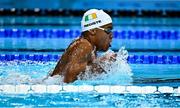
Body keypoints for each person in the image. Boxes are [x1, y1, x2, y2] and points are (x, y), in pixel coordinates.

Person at [50, 9, 115, 83]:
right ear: (92, 31)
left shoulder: (91, 49)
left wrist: (102, 64)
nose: (111, 35)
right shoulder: (84, 46)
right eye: (108, 30)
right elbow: (68, 82)